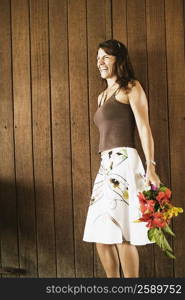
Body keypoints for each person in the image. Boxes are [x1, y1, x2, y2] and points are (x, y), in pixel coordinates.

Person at [83, 39, 161, 278]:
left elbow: (144, 127)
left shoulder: (131, 87)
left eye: (106, 57)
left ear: (119, 59)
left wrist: (151, 167)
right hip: (106, 165)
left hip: (125, 162)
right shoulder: (101, 96)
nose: (100, 62)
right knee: (100, 234)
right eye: (98, 57)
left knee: (121, 233)